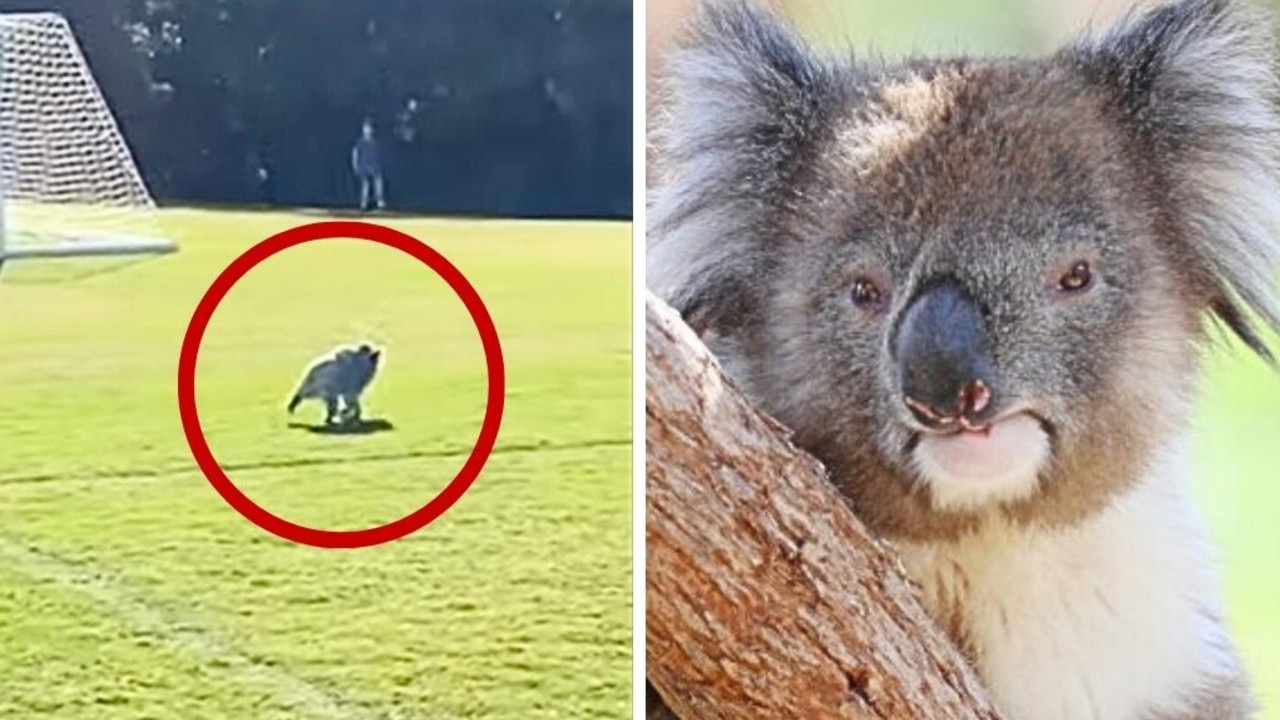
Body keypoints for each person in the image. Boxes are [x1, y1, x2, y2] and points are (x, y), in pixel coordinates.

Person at [351, 119, 386, 211]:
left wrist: (379, 164)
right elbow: (355, 154)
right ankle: (364, 203)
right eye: (366, 128)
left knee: (378, 183)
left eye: (369, 128)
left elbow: (379, 154)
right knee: (365, 185)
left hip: (374, 166)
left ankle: (379, 202)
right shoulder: (360, 142)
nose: (368, 130)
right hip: (364, 166)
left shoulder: (375, 142)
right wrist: (356, 166)